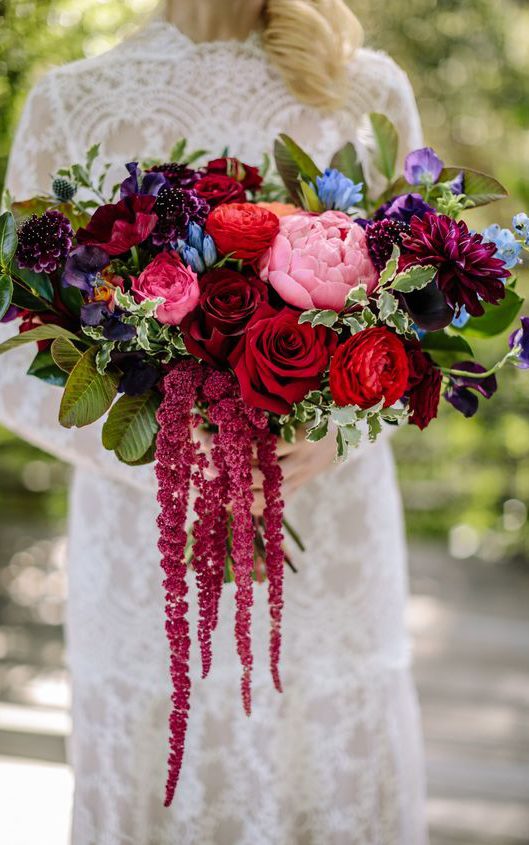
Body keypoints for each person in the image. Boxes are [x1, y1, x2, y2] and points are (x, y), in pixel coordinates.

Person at [0, 1, 427, 842]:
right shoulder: (70, 103)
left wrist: (337, 428)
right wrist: (169, 446)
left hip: (328, 534)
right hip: (148, 548)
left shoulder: (368, 89)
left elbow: (419, 324)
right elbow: (14, 354)